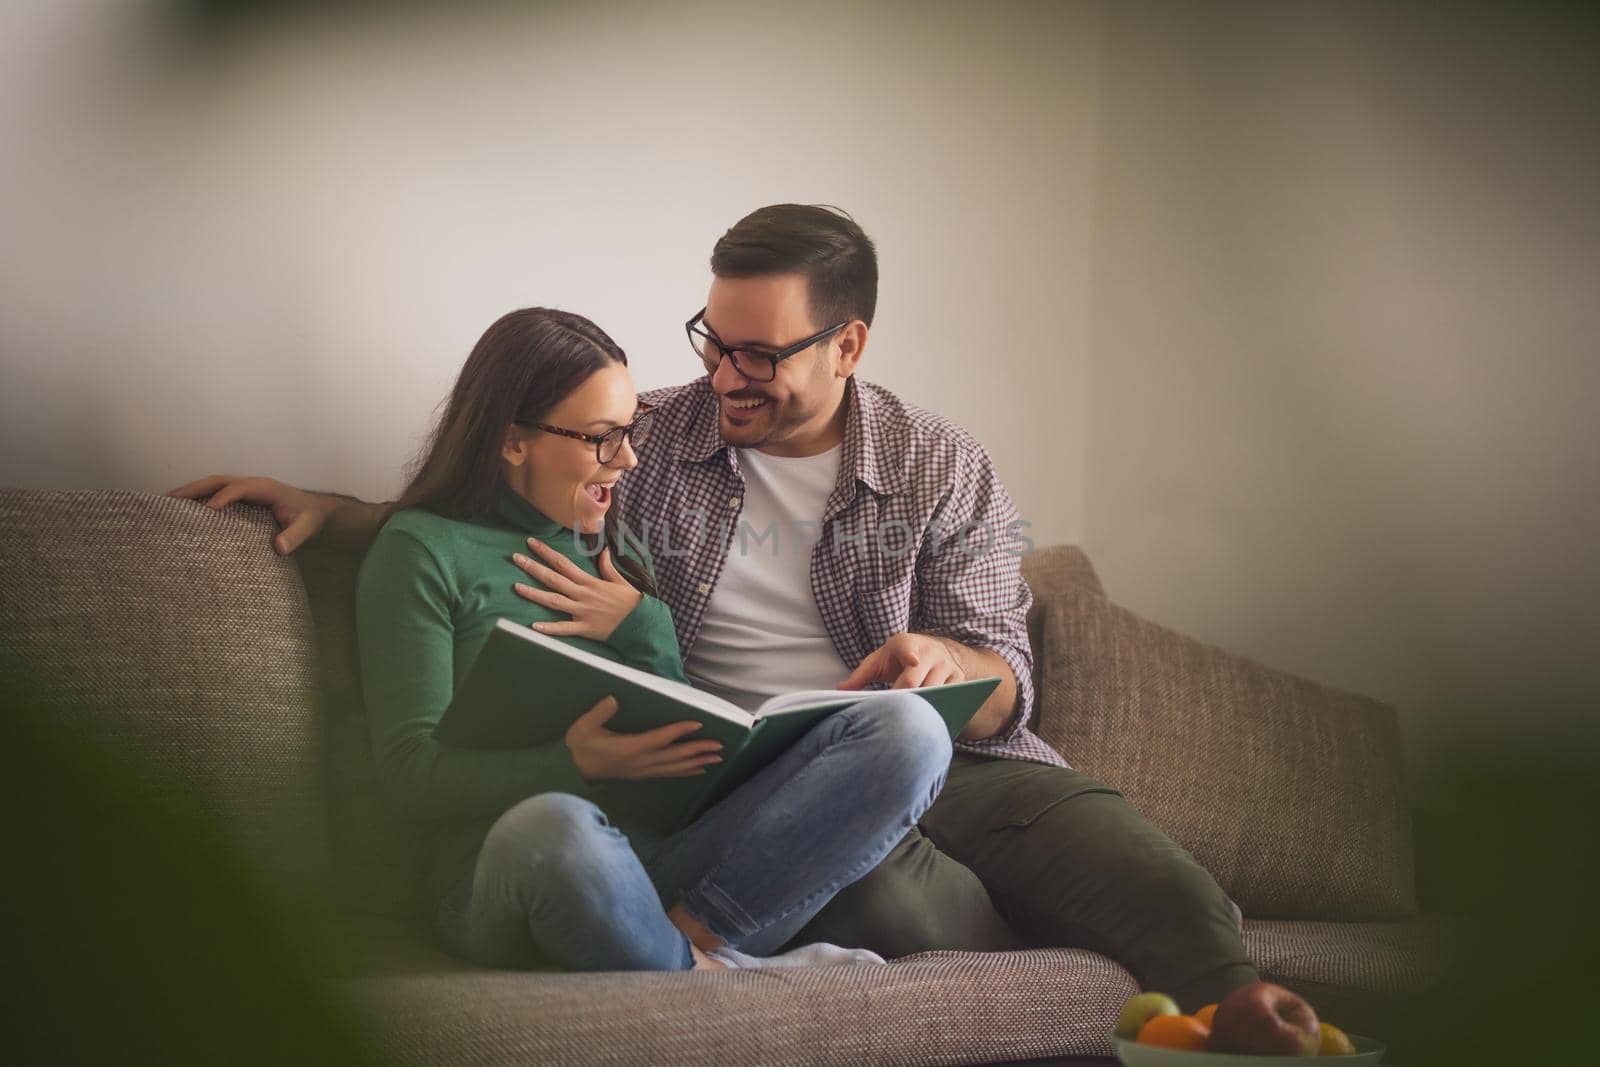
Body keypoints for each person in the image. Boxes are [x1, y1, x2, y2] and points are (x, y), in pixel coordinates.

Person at [172, 205, 1258, 1007]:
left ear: (847, 344)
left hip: (938, 755)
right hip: (730, 778)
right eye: (713, 339)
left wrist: (944, 661)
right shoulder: (648, 440)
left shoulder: (939, 466)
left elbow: (1001, 679)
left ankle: (1248, 1011)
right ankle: (723, 948)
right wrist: (336, 511)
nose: (725, 375)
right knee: (879, 892)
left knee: (1122, 859)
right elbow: (495, 503)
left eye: (760, 353)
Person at [321, 305, 954, 972]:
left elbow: (686, 762)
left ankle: (692, 949)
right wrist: (574, 764)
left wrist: (643, 622)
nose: (626, 459)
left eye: (630, 431)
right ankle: (724, 972)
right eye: (601, 437)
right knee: (552, 826)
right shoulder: (422, 550)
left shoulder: (616, 559)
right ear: (513, 440)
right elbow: (407, 776)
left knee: (910, 729)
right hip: (517, 872)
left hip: (666, 870)